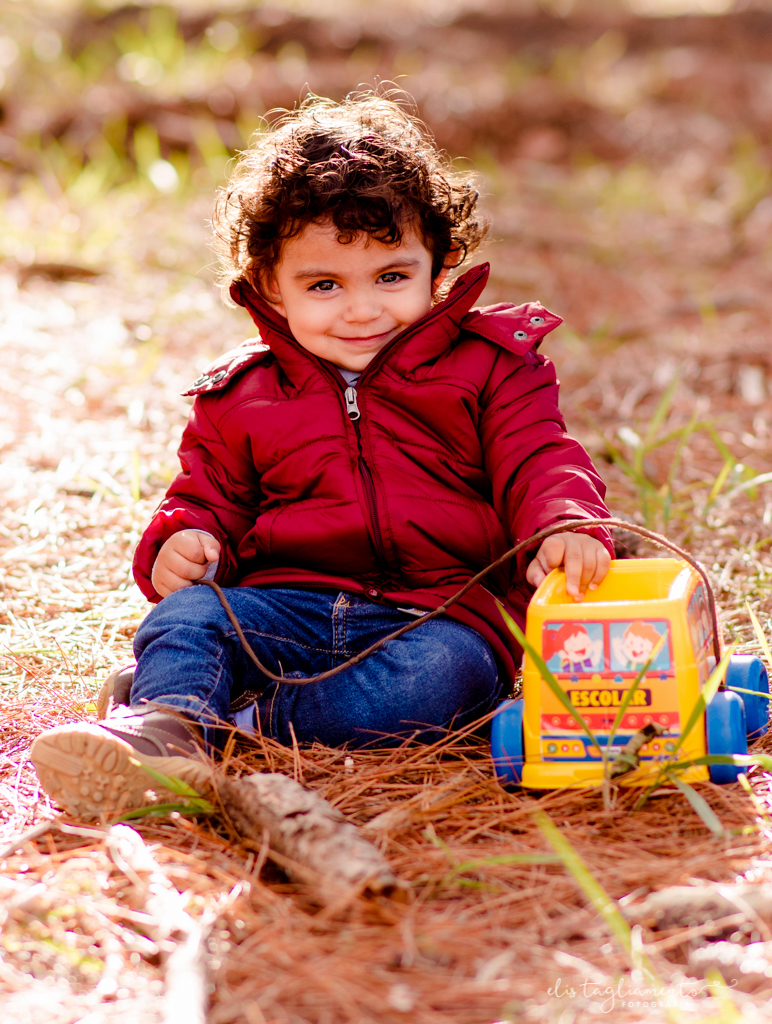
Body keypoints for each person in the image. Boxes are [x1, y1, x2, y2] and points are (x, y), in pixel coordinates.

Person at [31, 93, 613, 819]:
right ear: (271, 285)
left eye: (391, 277)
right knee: (190, 619)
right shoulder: (241, 394)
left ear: (441, 264)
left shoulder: (493, 366)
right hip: (290, 605)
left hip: (436, 614)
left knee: (440, 683)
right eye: (325, 285)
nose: (362, 310)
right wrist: (184, 539)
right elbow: (207, 494)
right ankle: (168, 725)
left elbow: (539, 455)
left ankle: (235, 723)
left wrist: (563, 520)